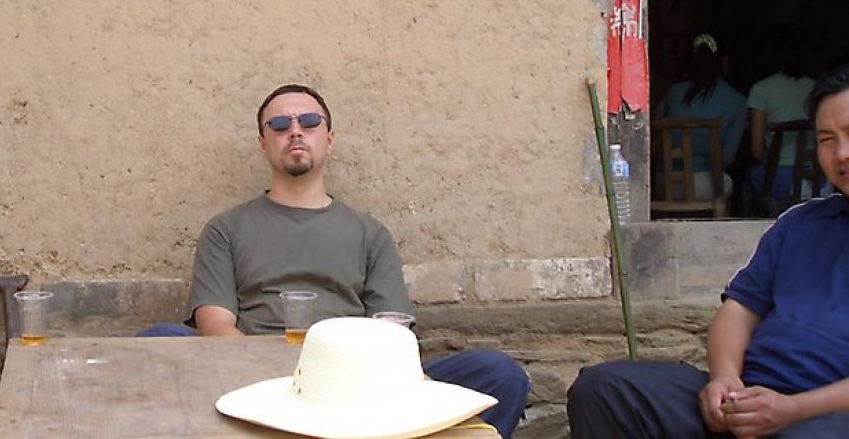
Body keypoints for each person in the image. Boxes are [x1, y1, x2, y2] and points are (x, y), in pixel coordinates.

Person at [139, 84, 530, 438]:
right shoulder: (226, 229)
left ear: (328, 139)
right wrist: (272, 380)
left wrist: (340, 377)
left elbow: (391, 330)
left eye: (309, 122)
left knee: (499, 374)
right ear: (263, 143)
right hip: (251, 377)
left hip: (353, 381)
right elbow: (215, 325)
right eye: (279, 124)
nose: (295, 131)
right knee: (158, 343)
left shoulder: (369, 233)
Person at [566, 62, 849, 439]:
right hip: (752, 396)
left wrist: (791, 410)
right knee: (604, 390)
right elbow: (738, 311)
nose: (841, 153)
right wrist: (725, 379)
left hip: (826, 414)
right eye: (827, 139)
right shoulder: (800, 223)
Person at [655, 34, 747, 200]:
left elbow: (657, 126)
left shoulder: (674, 92)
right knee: (728, 183)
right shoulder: (737, 100)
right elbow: (727, 158)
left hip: (665, 185)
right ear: (724, 61)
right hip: (706, 186)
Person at [746, 30, 816, 200]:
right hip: (816, 177)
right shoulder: (817, 87)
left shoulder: (761, 89)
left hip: (777, 178)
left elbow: (757, 152)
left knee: (747, 180)